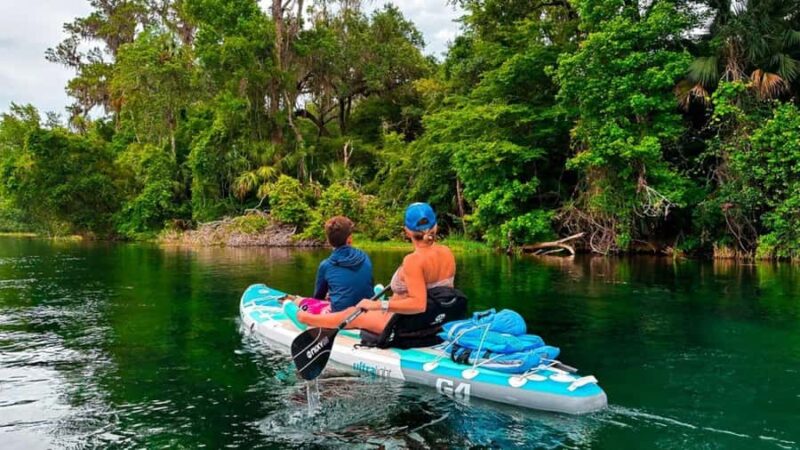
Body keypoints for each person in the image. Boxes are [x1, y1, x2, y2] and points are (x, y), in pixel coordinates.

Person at [297, 203, 457, 335]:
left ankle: (305, 318)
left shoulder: (413, 261)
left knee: (352, 314)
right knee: (364, 307)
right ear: (435, 225)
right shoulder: (447, 252)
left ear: (407, 231)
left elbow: (418, 304)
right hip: (435, 317)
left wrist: (378, 305)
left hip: (405, 322)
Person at [299, 216, 374, 314]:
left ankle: (293, 302)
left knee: (305, 302)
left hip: (341, 317)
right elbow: (367, 285)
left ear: (328, 240)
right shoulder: (364, 256)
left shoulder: (326, 265)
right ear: (349, 239)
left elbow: (318, 298)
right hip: (367, 311)